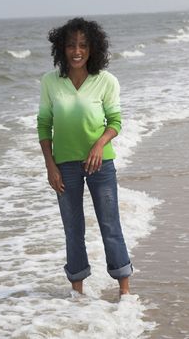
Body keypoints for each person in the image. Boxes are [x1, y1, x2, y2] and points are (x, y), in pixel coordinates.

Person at [37, 17, 133, 298]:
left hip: (100, 164)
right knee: (73, 228)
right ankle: (77, 292)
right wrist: (50, 165)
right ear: (61, 48)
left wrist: (99, 145)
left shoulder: (106, 81)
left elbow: (115, 121)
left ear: (93, 49)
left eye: (83, 45)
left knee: (110, 224)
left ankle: (124, 291)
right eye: (70, 45)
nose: (76, 51)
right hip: (64, 166)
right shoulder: (50, 82)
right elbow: (44, 125)